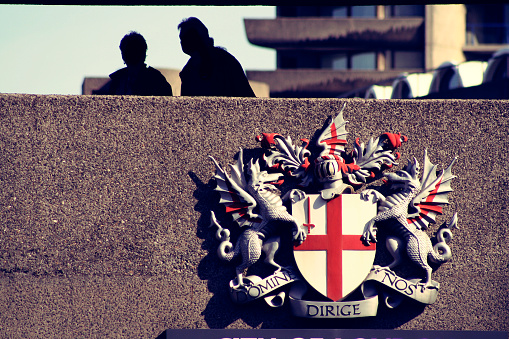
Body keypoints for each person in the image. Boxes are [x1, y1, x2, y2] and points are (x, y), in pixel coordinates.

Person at [177, 17, 256, 97]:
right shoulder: (188, 71)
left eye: (186, 38)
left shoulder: (225, 62)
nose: (182, 42)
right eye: (181, 39)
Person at [95, 31, 173, 96]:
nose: (131, 54)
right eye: (128, 50)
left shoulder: (156, 80)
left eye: (134, 50)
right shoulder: (117, 81)